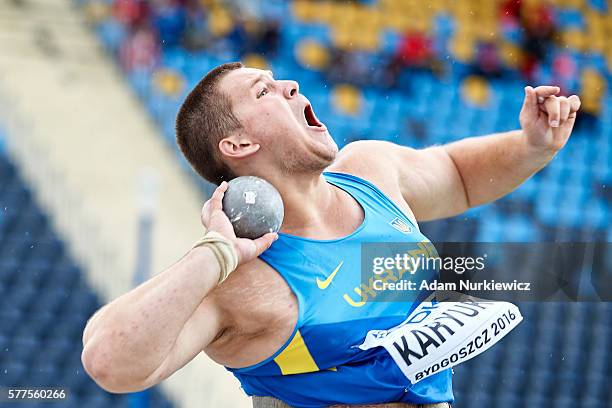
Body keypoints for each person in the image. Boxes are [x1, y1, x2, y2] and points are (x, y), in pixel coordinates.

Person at [81, 62, 581, 407]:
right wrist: (214, 253)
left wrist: (533, 146)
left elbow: (458, 175)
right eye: (264, 91)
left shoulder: (370, 171)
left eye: (279, 81)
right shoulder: (240, 281)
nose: (292, 86)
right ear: (238, 142)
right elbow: (110, 362)